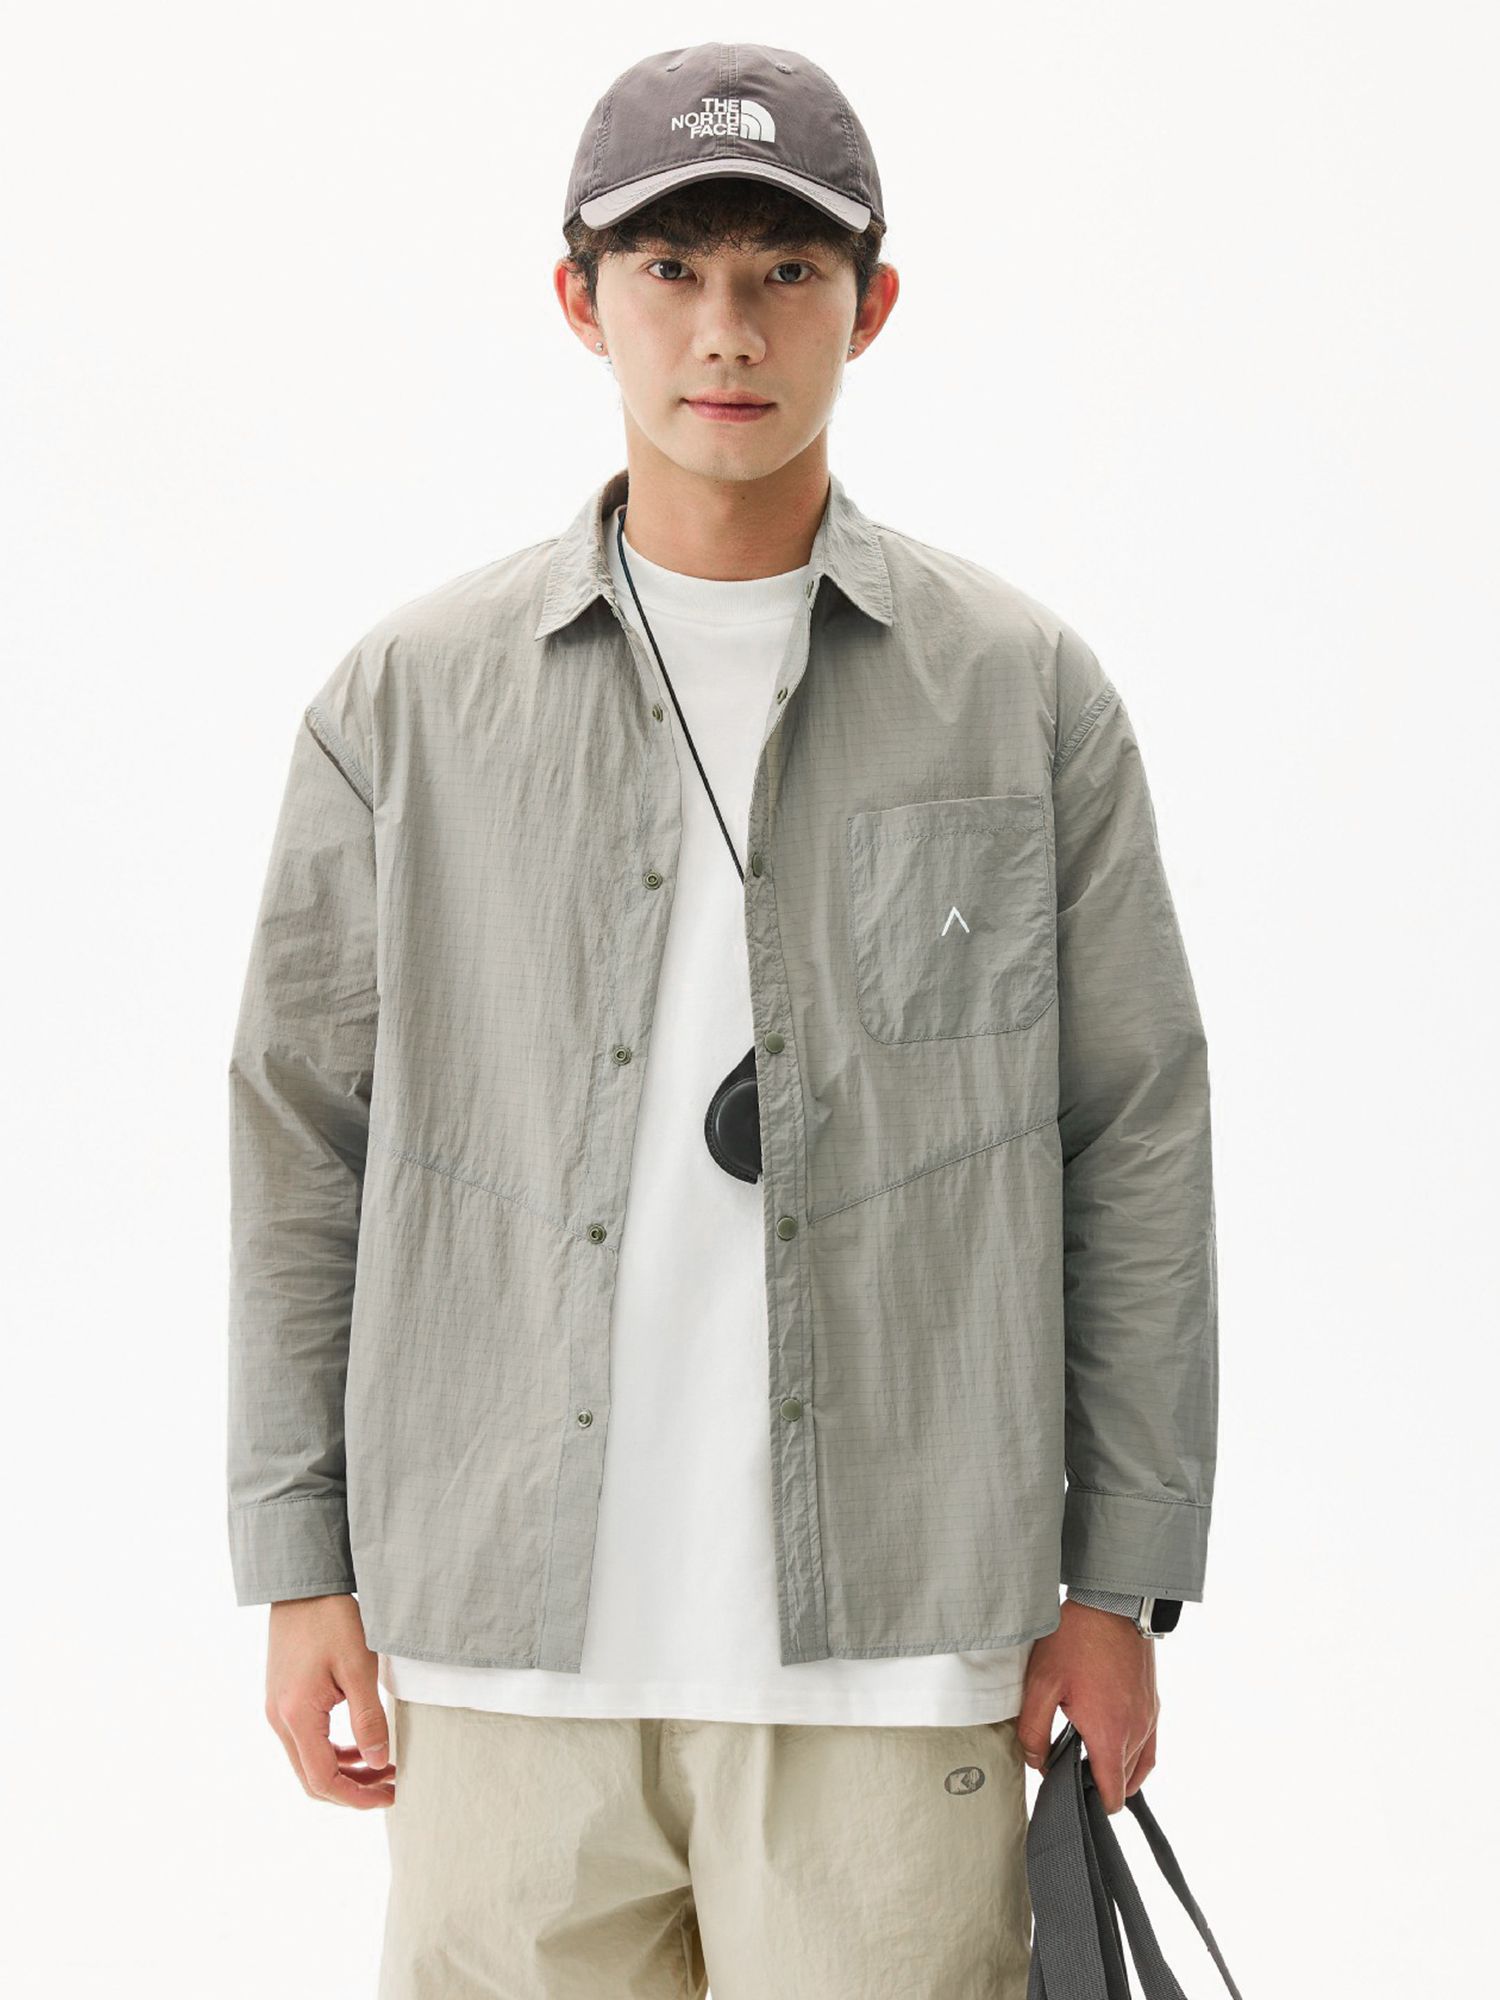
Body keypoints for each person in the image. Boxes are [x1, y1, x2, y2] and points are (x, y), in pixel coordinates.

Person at [226, 40, 1219, 2000]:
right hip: (503, 1651)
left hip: (898, 1657)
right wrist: (296, 1559)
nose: (728, 328)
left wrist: (1121, 1583)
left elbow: (1133, 1133)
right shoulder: (408, 703)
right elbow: (299, 1136)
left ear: (875, 303)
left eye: (785, 270)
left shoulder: (1020, 694)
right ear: (579, 298)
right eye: (671, 269)